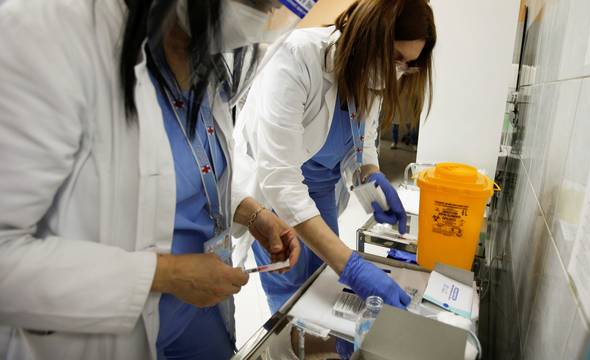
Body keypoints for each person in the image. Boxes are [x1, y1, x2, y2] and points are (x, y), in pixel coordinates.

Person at [0, 0, 317, 359]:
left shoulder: (197, 51)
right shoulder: (49, 34)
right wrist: (166, 275)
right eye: (258, 3)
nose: (264, 18)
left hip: (203, 318)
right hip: (104, 332)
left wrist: (251, 212)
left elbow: (189, 165)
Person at [234, 0, 436, 314]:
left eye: (407, 65)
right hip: (275, 195)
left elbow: (361, 142)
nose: (398, 72)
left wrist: (372, 179)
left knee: (322, 282)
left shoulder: (371, 77)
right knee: (293, 295)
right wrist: (353, 267)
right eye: (395, 58)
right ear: (371, 38)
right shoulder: (296, 57)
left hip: (322, 190)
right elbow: (280, 178)